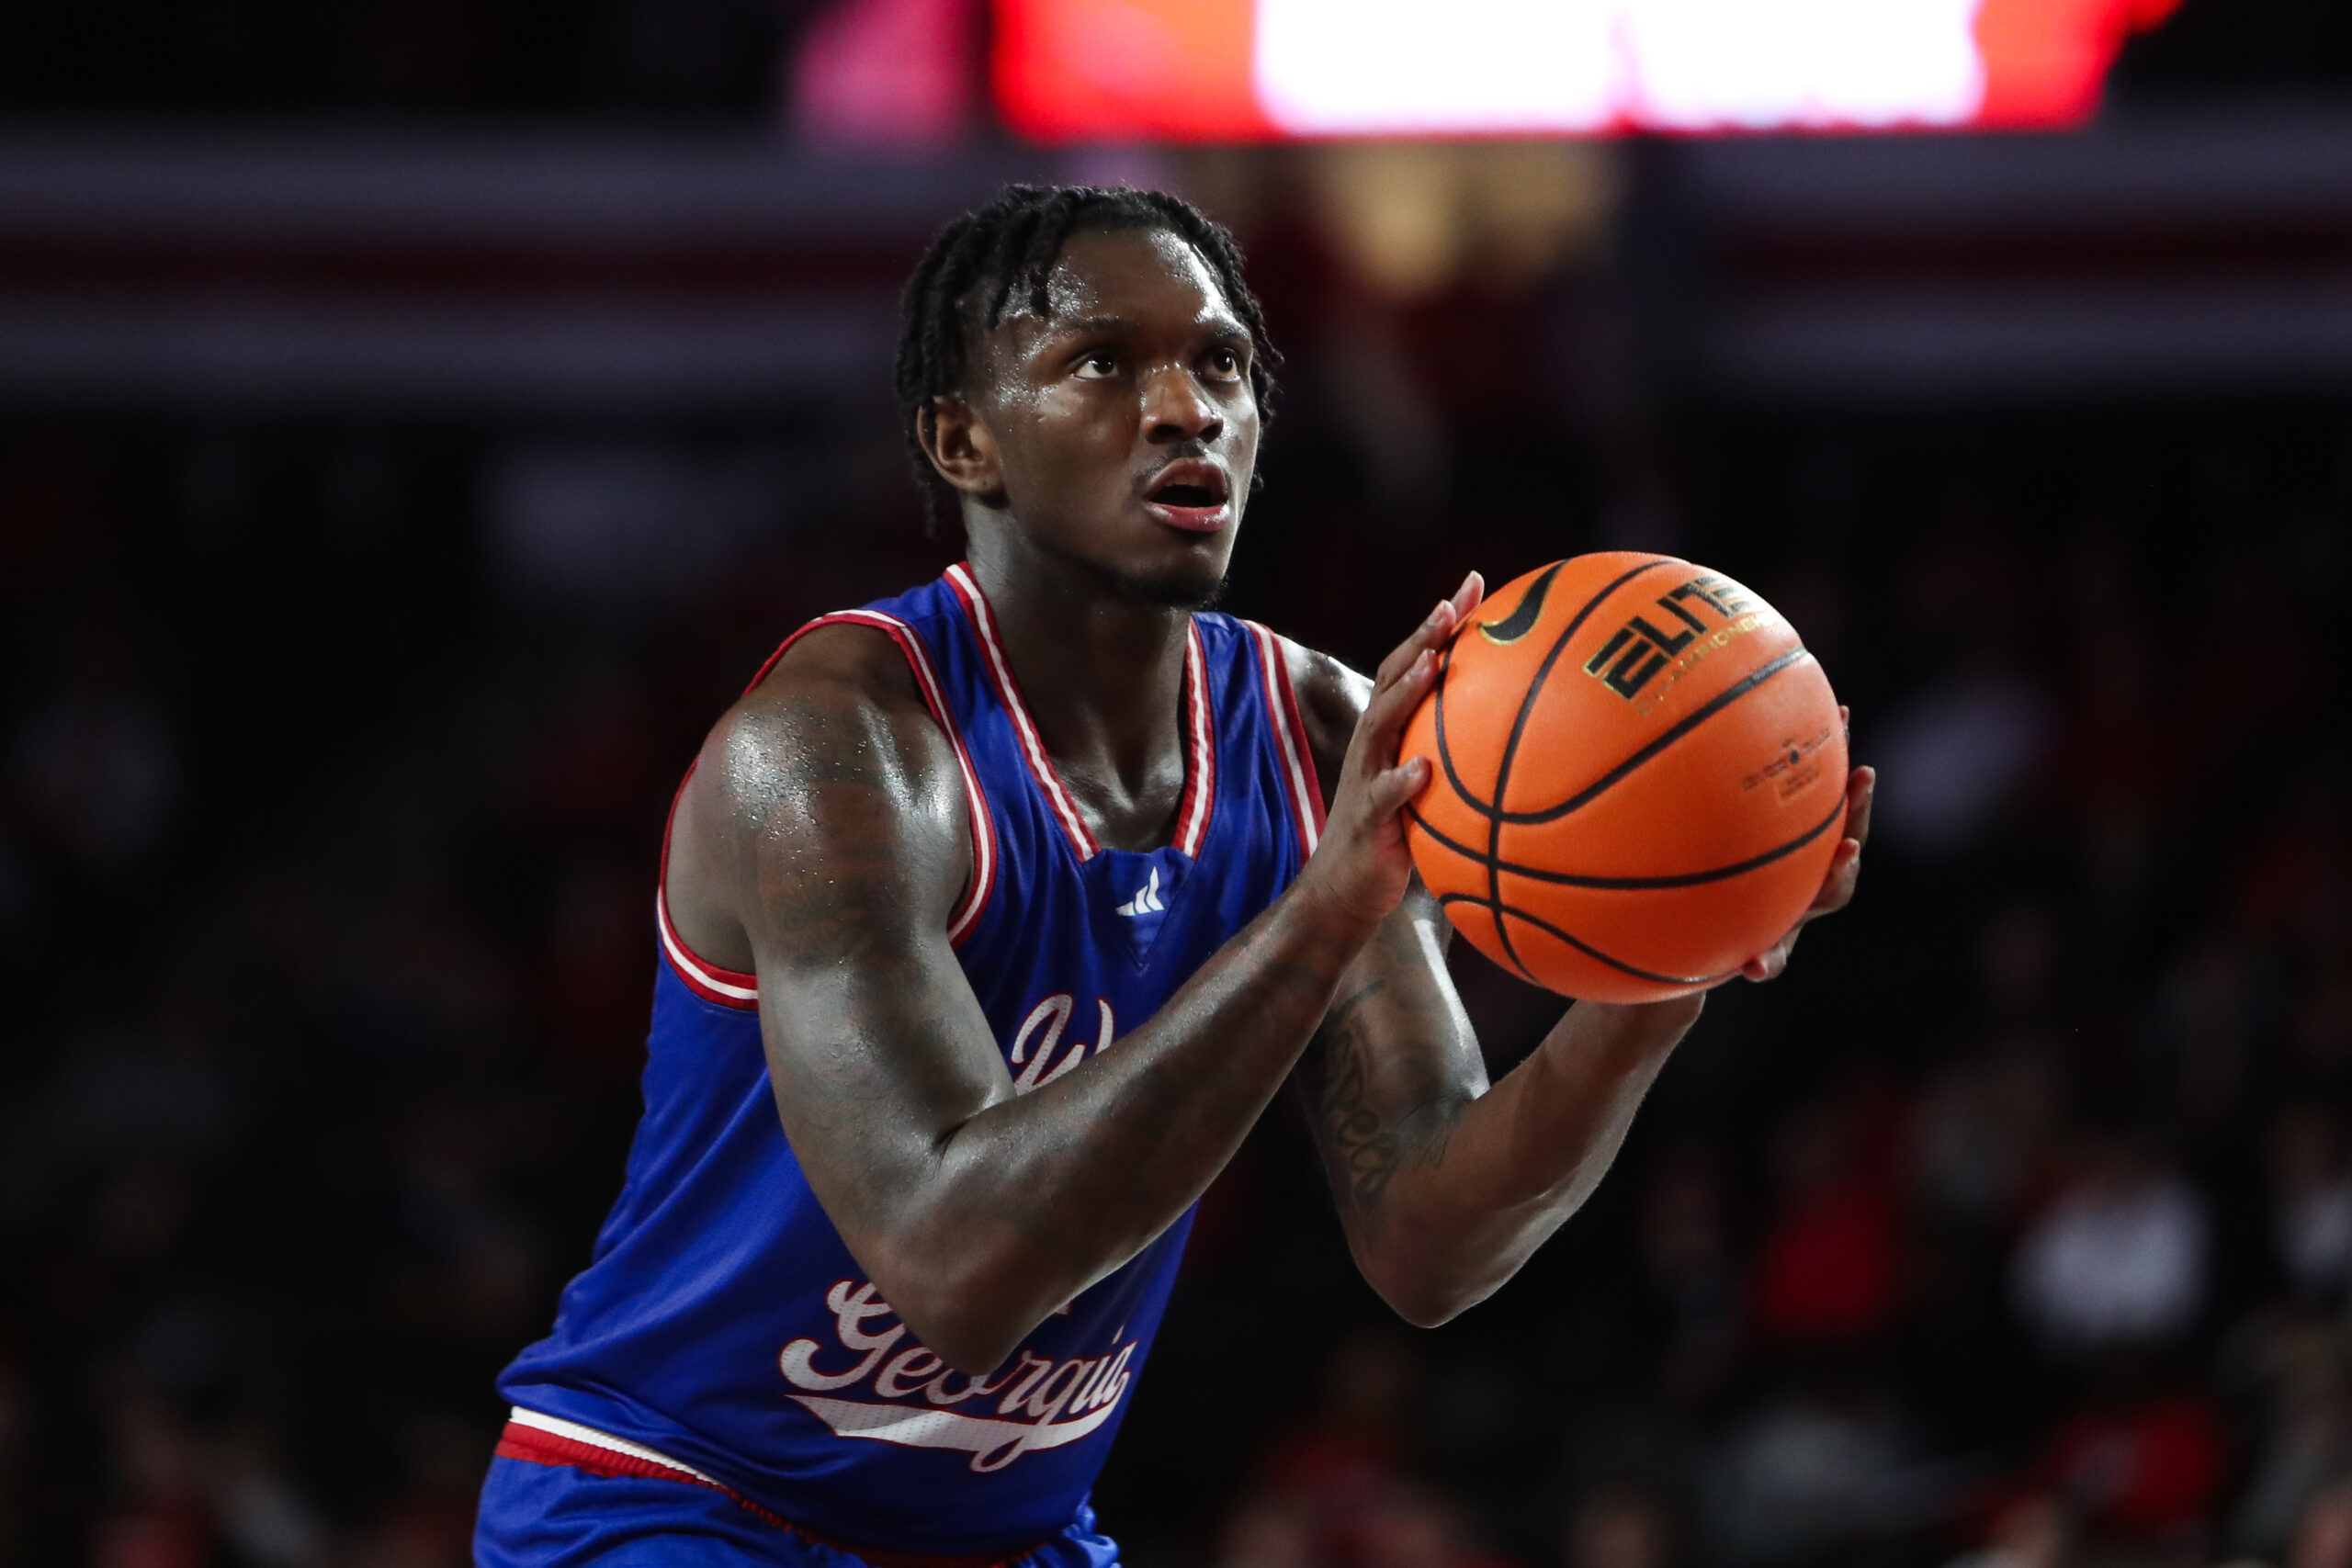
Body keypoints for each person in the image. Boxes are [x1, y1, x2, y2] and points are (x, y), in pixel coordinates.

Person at [472, 184, 1873, 1568]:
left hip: (1006, 1536)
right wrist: (1320, 916)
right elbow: (959, 1267)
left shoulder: (1322, 732)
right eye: (1102, 362)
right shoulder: (835, 752)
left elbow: (1429, 1238)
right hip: (675, 1505)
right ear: (964, 440)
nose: (1184, 406)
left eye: (1220, 365)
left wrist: (1657, 977)